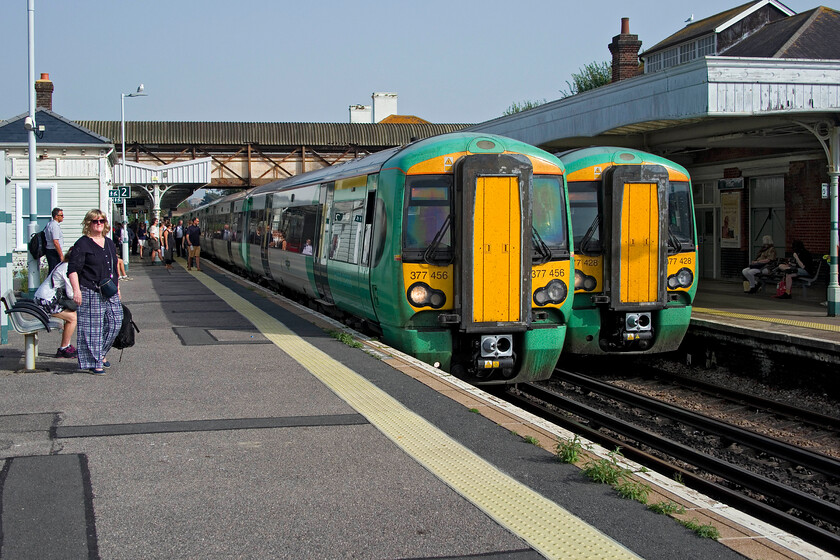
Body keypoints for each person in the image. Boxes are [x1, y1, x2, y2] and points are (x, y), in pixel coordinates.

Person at [68, 209, 123, 375]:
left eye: (102, 221)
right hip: (90, 289)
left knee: (116, 322)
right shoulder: (82, 244)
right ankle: (95, 361)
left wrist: (118, 288)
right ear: (88, 224)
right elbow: (73, 270)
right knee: (93, 328)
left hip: (110, 289)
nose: (99, 224)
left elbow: (113, 268)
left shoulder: (109, 243)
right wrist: (76, 291)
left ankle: (100, 353)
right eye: (95, 221)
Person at [34, 247, 78, 358]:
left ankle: (65, 346)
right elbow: (71, 293)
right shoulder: (67, 268)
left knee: (71, 315)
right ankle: (64, 348)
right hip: (45, 302)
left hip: (43, 299)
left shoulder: (63, 264)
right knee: (72, 318)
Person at [44, 207, 65, 273]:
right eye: (61, 215)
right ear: (56, 216)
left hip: (51, 251)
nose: (63, 217)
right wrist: (61, 256)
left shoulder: (49, 224)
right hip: (53, 252)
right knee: (54, 272)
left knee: (53, 271)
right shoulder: (54, 226)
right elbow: (55, 242)